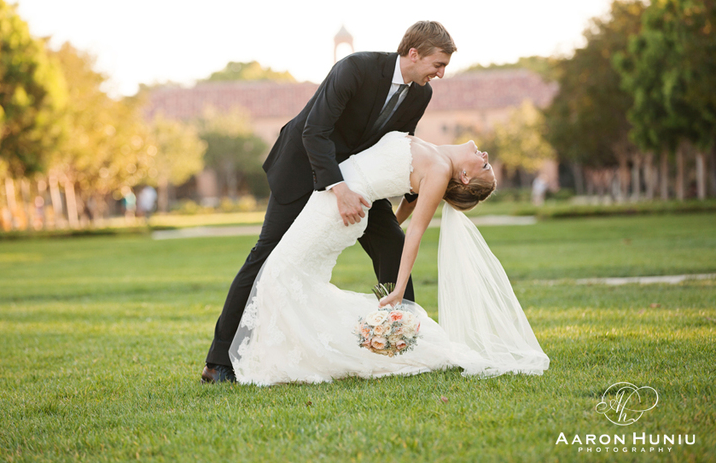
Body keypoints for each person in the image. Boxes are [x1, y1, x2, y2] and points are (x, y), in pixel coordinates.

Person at [202, 21, 456, 383]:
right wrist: (338, 188)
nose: (441, 74)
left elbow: (398, 146)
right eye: (438, 64)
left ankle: (400, 342)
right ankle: (218, 362)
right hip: (304, 166)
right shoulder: (355, 68)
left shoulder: (421, 95)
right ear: (414, 54)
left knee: (393, 247)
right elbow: (314, 130)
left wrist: (407, 200)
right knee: (265, 254)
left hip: (362, 177)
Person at [230, 132, 550, 385]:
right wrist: (382, 224)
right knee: (285, 274)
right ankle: (301, 350)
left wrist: (398, 290)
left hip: (340, 206)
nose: (486, 156)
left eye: (484, 166)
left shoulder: (439, 169)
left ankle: (312, 353)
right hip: (338, 199)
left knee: (280, 272)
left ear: (464, 177)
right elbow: (408, 204)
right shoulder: (435, 156)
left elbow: (415, 234)